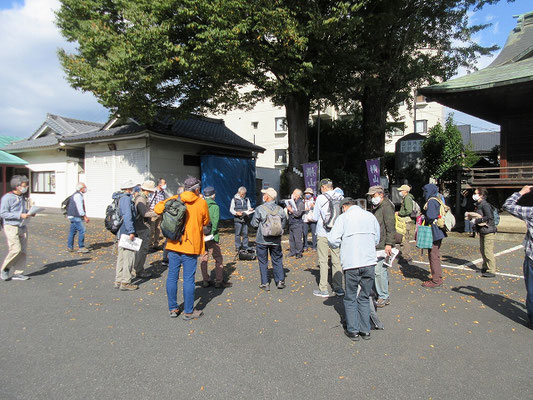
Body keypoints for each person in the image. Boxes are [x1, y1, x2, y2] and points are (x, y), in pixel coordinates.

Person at [155, 176, 210, 320]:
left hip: (173, 244)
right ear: (197, 189)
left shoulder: (174, 198)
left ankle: (173, 308)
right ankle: (188, 312)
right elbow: (206, 221)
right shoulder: (201, 203)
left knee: (172, 277)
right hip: (191, 247)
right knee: (188, 279)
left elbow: (157, 208)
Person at [328, 197, 380, 341]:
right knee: (364, 296)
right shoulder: (370, 216)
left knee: (350, 296)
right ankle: (365, 330)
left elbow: (332, 240)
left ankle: (353, 330)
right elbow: (376, 239)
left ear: (344, 207)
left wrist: (340, 244)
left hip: (351, 263)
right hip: (369, 262)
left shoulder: (343, 218)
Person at [503, 185, 533, 328]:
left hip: (531, 256)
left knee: (532, 290)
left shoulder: (531, 212)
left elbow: (507, 205)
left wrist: (521, 192)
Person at [311, 178, 344, 297]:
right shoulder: (340, 197)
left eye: (321, 187)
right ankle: (339, 288)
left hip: (323, 232)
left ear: (324, 187)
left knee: (323, 261)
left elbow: (315, 217)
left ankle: (323, 289)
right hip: (337, 233)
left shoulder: (320, 198)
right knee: (337, 260)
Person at [250, 187, 286, 291]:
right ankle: (280, 281)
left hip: (262, 239)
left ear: (267, 197)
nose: (263, 196)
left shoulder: (260, 209)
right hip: (276, 240)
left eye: (264, 194)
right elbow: (283, 223)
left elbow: (254, 224)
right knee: (277, 259)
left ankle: (265, 283)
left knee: (263, 261)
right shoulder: (280, 209)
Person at [368, 186, 396, 307]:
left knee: (379, 271)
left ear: (380, 195)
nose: (371, 198)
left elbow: (390, 226)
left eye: (373, 196)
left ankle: (384, 296)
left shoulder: (386, 206)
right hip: (377, 242)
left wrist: (389, 244)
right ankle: (380, 292)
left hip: (383, 243)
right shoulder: (378, 206)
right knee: (377, 270)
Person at [0, 175, 32, 281]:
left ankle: (18, 273)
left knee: (23, 251)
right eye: (24, 185)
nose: (26, 187)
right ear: (17, 186)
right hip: (11, 226)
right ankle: (5, 269)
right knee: (15, 249)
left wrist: (29, 213)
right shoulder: (7, 198)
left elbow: (22, 211)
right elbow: (3, 213)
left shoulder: (21, 197)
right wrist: (19, 215)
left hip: (22, 225)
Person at [200, 186, 232, 288]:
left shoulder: (200, 205)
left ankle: (206, 280)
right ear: (213, 195)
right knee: (218, 258)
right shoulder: (215, 207)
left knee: (204, 257)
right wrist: (212, 234)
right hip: (212, 236)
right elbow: (215, 222)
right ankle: (219, 281)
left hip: (201, 235)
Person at [114, 180, 138, 291]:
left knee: (121, 256)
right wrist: (131, 231)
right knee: (129, 256)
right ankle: (126, 282)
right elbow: (128, 216)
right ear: (129, 189)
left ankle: (118, 279)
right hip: (127, 231)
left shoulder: (118, 198)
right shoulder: (127, 199)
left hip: (120, 231)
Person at [421, 183, 447, 288]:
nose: (424, 193)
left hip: (434, 231)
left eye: (425, 191)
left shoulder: (431, 201)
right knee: (435, 254)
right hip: (439, 231)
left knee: (433, 255)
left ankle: (436, 280)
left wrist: (424, 217)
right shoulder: (437, 199)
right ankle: (437, 277)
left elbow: (431, 216)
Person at [132, 180, 158, 279]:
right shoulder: (141, 199)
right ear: (148, 190)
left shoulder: (139, 197)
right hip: (142, 226)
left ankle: (136, 268)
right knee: (142, 250)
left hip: (138, 226)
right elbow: (144, 214)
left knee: (138, 249)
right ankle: (139, 270)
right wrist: (156, 212)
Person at [471, 187, 497, 278]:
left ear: (481, 195)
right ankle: (485, 267)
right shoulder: (479, 204)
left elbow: (489, 217)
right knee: (483, 250)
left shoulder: (484, 205)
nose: (474, 195)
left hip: (488, 230)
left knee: (488, 251)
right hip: (483, 230)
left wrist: (477, 221)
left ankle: (491, 270)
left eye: (476, 193)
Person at [161, 183, 184, 267]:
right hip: (177, 226)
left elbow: (159, 208)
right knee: (176, 242)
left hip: (168, 225)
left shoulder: (171, 200)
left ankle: (165, 259)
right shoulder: (184, 202)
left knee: (168, 241)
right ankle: (174, 260)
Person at [66, 182, 90, 253]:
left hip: (71, 215)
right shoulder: (78, 196)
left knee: (72, 232)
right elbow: (79, 207)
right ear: (81, 188)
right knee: (82, 230)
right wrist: (84, 216)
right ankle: (81, 247)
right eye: (84, 187)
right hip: (76, 216)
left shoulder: (75, 195)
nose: (85, 189)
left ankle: (70, 247)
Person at [229, 186, 254, 252]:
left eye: (244, 194)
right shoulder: (234, 199)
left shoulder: (246, 199)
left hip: (245, 218)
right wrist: (236, 213)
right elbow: (231, 209)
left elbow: (248, 207)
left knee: (245, 233)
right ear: (238, 192)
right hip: (238, 219)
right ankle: (238, 246)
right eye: (242, 194)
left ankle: (245, 246)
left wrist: (250, 210)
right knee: (238, 233)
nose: (243, 195)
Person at [148, 178, 169, 251]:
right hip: (153, 212)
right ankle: (149, 245)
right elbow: (150, 201)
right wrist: (152, 211)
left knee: (158, 229)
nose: (165, 184)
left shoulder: (163, 192)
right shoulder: (154, 191)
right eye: (164, 183)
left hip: (160, 213)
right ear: (160, 184)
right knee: (152, 229)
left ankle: (156, 244)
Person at [396, 184, 414, 261]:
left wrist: (400, 213)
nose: (400, 192)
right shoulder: (406, 198)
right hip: (405, 221)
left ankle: (406, 256)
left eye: (401, 190)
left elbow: (408, 210)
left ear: (405, 191)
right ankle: (405, 254)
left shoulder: (407, 198)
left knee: (404, 239)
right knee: (403, 238)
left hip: (405, 221)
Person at [287, 188, 305, 258]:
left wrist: (291, 210)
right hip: (291, 222)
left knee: (297, 239)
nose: (292, 194)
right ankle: (292, 251)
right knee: (291, 239)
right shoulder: (293, 202)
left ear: (297, 195)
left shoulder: (300, 203)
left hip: (297, 223)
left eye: (294, 193)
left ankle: (299, 253)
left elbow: (298, 214)